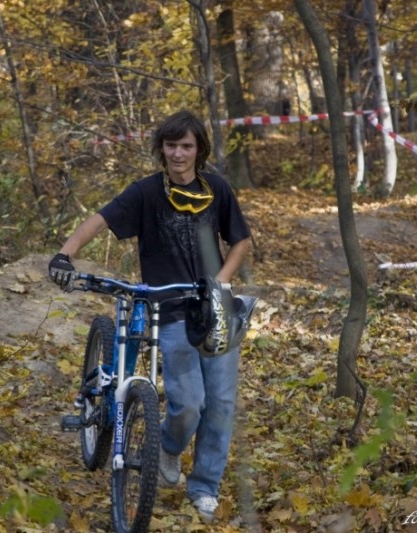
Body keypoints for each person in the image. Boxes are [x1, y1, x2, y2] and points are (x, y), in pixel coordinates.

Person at [48, 109, 252, 522]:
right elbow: (100, 220)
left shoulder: (216, 189)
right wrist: (65, 254)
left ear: (199, 149)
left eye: (186, 146)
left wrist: (220, 282)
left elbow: (241, 241)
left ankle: (204, 487)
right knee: (189, 403)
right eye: (171, 145)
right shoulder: (146, 192)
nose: (178, 154)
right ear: (161, 148)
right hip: (170, 311)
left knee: (221, 403)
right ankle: (169, 448)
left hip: (214, 309)